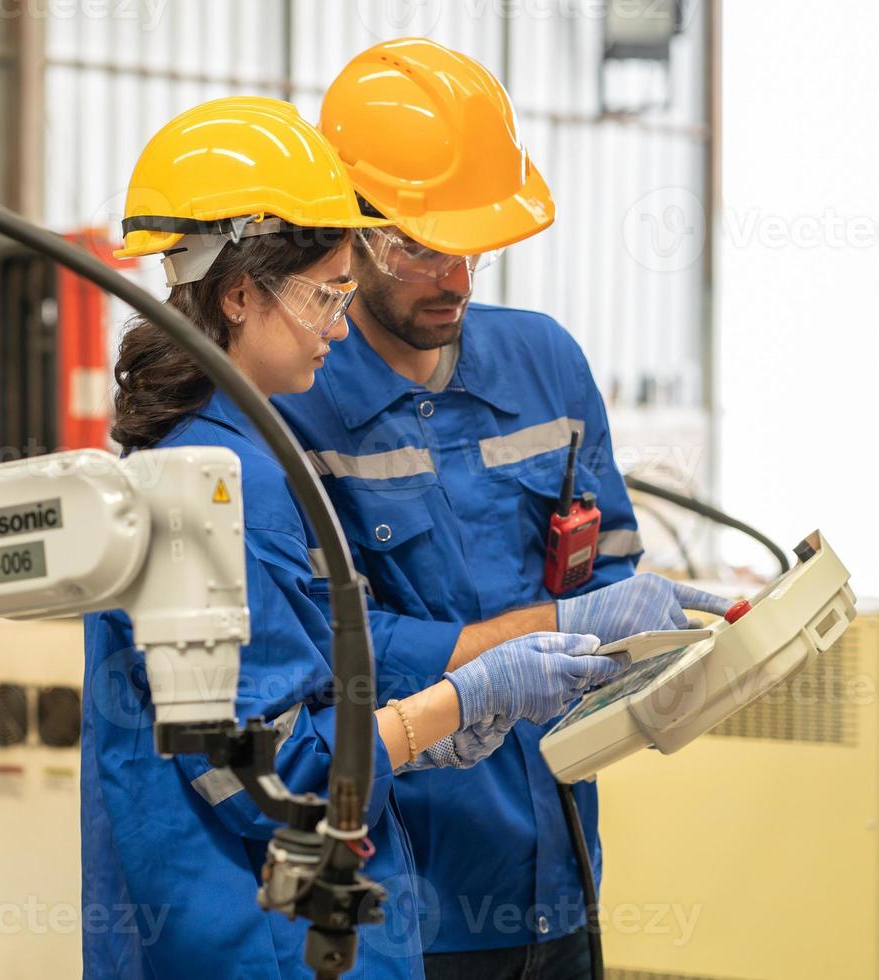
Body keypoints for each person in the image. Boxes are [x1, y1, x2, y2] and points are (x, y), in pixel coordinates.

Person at [80, 96, 624, 979]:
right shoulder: (229, 480)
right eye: (328, 295)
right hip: (262, 943)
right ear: (239, 293)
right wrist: (454, 703)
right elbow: (280, 779)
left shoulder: (221, 452)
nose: (342, 324)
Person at [273, 39, 732, 979]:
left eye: (472, 245)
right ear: (346, 235)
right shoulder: (293, 407)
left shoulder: (546, 366)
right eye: (420, 247)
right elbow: (321, 651)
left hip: (560, 871)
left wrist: (663, 655)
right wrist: (530, 641)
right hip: (402, 900)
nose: (455, 278)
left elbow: (603, 576)